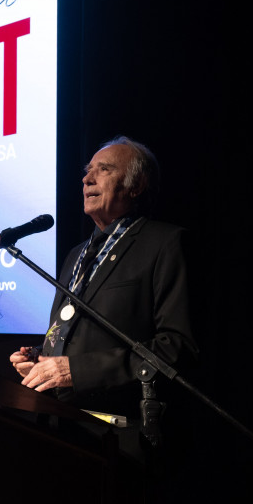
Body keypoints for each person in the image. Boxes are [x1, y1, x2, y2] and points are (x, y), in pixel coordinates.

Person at [10, 136, 198, 420]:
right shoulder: (76, 254)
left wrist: (77, 372)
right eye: (88, 171)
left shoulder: (164, 243)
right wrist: (40, 358)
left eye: (104, 169)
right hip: (59, 420)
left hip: (119, 427)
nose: (87, 179)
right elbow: (79, 335)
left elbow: (177, 347)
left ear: (136, 186)